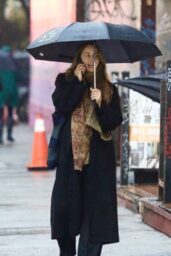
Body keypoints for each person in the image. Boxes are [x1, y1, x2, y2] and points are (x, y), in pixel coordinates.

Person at [50, 42, 123, 256]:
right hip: (70, 159)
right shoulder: (65, 81)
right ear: (79, 58)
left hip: (98, 163)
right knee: (66, 210)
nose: (90, 60)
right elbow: (62, 105)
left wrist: (101, 102)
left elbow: (113, 122)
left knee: (94, 215)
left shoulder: (109, 89)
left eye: (95, 56)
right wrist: (79, 84)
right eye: (86, 55)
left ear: (100, 60)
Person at [0, 46, 19, 144]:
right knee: (10, 114)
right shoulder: (13, 65)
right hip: (11, 93)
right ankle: (9, 136)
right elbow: (18, 79)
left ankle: (0, 138)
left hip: (1, 93)